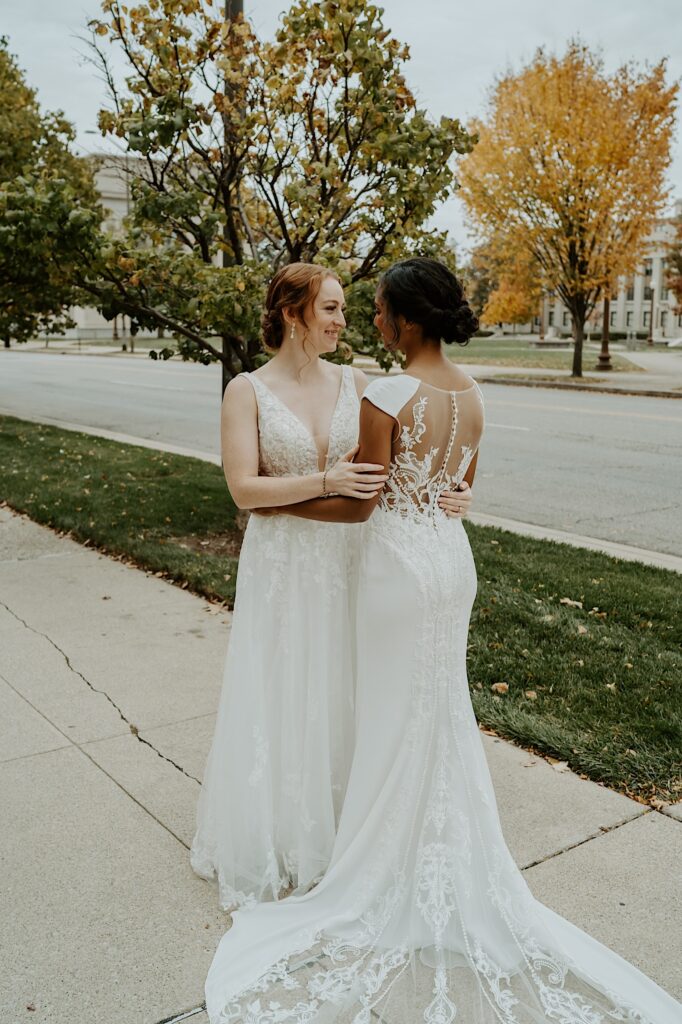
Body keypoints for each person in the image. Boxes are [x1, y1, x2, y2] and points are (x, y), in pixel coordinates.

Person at [204, 257, 680, 1024]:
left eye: (378, 310)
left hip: (394, 564)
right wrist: (445, 494)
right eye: (336, 308)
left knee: (395, 715)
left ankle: (380, 860)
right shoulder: (473, 390)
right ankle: (434, 850)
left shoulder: (383, 390)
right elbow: (458, 472)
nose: (366, 320)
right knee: (436, 714)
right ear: (295, 312)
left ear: (409, 318)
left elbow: (364, 504)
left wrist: (303, 501)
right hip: (448, 563)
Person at [191, 262, 472, 910]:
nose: (344, 323)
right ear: (292, 313)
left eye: (348, 309)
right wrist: (323, 482)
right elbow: (243, 488)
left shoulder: (361, 382)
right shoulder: (247, 391)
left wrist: (455, 489)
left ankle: (354, 834)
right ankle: (289, 837)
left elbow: (416, 459)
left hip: (352, 556)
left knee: (351, 687)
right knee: (286, 688)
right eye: (331, 310)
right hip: (284, 564)